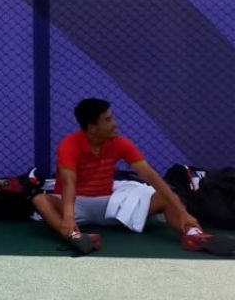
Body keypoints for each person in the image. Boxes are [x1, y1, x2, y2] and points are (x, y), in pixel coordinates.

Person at [32, 98, 232, 256]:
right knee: (40, 200)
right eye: (108, 120)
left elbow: (151, 176)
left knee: (165, 196)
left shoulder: (121, 143)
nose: (115, 124)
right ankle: (74, 236)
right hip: (76, 205)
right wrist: (68, 218)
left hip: (110, 204)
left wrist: (182, 212)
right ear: (92, 127)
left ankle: (194, 236)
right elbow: (69, 183)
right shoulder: (69, 144)